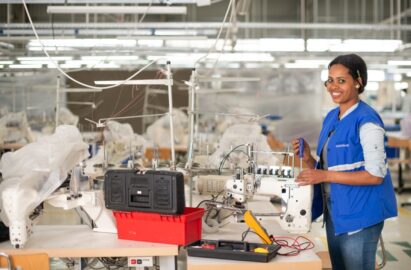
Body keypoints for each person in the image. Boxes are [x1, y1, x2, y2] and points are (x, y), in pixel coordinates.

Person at [292, 54, 397, 270]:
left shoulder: (367, 121)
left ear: (358, 82)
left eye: (341, 80)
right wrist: (309, 159)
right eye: (330, 80)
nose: (333, 86)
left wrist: (324, 175)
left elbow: (375, 175)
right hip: (336, 212)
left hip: (360, 215)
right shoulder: (332, 117)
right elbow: (327, 169)